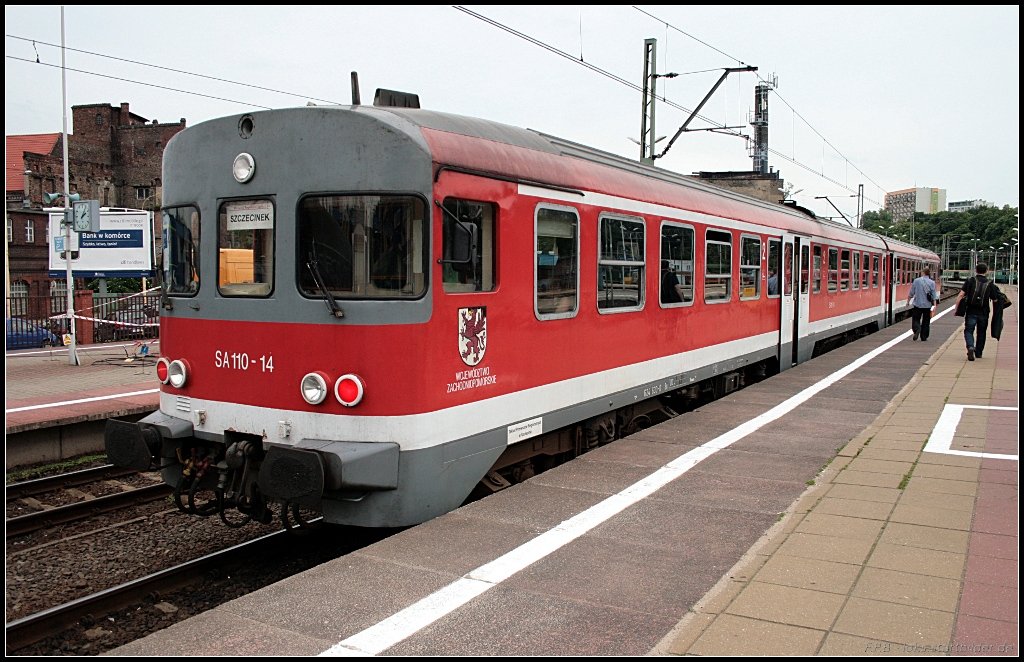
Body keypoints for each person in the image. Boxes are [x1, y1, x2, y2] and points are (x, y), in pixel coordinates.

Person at [954, 262, 1002, 361]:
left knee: (968, 330)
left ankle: (970, 346)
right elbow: (995, 299)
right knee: (982, 332)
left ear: (976, 270)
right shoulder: (990, 283)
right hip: (984, 313)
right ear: (986, 271)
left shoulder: (970, 281)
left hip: (971, 311)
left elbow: (961, 295)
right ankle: (979, 352)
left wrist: (957, 308)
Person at [906, 265, 937, 341]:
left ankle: (917, 329)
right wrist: (935, 305)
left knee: (916, 319)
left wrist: (908, 301)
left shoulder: (916, 281)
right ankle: (924, 336)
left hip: (917, 304)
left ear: (923, 273)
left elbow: (911, 292)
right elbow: (934, 295)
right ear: (929, 274)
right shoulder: (932, 282)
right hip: (927, 305)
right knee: (926, 321)